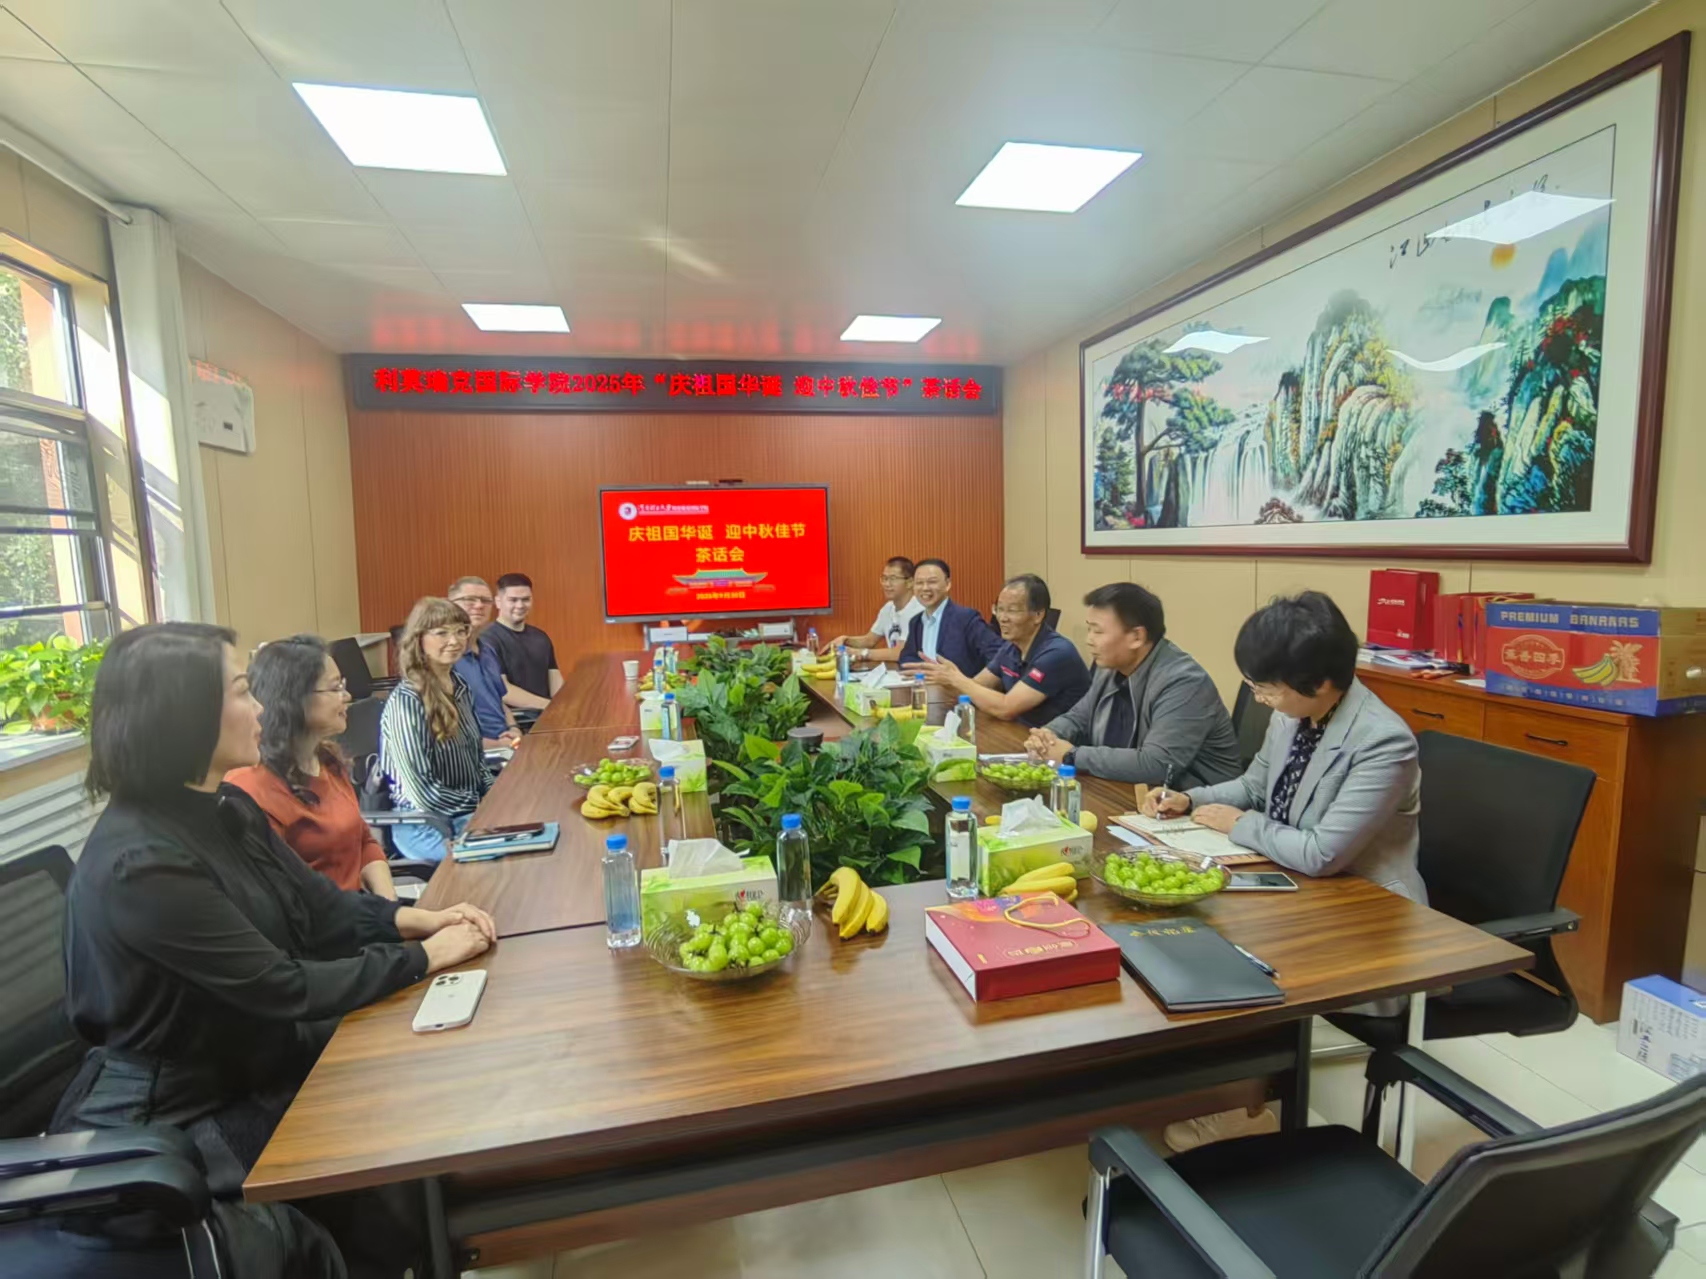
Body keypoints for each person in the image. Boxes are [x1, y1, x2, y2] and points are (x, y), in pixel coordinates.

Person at [52, 622, 495, 1278]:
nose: (260, 706)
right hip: (180, 1109)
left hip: (249, 1054)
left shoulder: (225, 806)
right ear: (184, 712)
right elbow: (282, 986)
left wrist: (417, 920)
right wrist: (426, 959)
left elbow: (318, 908)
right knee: (379, 1167)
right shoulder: (140, 863)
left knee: (414, 1092)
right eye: (241, 690)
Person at [1144, 592, 1423, 1153]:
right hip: (1295, 886)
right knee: (1179, 932)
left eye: (1267, 687)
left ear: (1320, 683)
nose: (1259, 698)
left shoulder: (1382, 742)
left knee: (1228, 955)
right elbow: (1254, 786)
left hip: (1364, 915)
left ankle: (1244, 1107)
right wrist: (1191, 799)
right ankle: (1195, 1083)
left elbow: (1323, 853)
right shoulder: (1293, 715)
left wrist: (1240, 824)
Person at [227, 634, 397, 898]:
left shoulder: (328, 760)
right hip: (328, 921)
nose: (347, 696)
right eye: (335, 687)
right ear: (293, 698)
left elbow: (364, 841)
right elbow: (282, 900)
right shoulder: (251, 789)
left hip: (364, 912)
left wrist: (389, 905)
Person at [1025, 582, 1239, 786]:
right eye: (1089, 629)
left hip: (1193, 801)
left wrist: (1072, 755)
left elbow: (1157, 765)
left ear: (1136, 636)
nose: (1089, 640)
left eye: (1098, 631)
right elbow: (1078, 718)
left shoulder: (1184, 682)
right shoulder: (1110, 666)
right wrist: (1047, 736)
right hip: (1127, 791)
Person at [379, 598, 493, 862]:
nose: (454, 641)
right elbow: (423, 794)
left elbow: (477, 762)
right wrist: (480, 803)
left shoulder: (460, 685)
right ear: (419, 639)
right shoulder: (406, 701)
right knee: (498, 860)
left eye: (461, 631)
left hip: (468, 812)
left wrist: (496, 794)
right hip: (426, 825)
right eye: (442, 633)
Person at [918, 573, 1089, 727]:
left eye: (1012, 611)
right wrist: (946, 678)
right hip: (1021, 732)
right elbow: (977, 687)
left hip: (1058, 743)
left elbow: (1006, 708)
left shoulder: (1056, 654)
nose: (1002, 618)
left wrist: (958, 679)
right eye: (999, 609)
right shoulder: (1011, 647)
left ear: (1038, 615)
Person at [448, 575, 522, 748]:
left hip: (507, 745)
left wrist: (514, 728)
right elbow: (446, 735)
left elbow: (497, 700)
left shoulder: (488, 650)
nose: (479, 605)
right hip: (475, 752)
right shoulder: (446, 657)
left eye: (485, 600)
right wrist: (497, 745)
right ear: (450, 605)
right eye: (470, 599)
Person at [897, 557, 1001, 679]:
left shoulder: (966, 618)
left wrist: (974, 684)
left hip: (960, 689)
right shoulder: (916, 622)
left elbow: (997, 656)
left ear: (947, 584)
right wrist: (923, 671)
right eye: (919, 583)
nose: (925, 588)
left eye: (932, 582)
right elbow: (906, 658)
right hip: (925, 686)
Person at [483, 572, 562, 714]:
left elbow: (555, 681)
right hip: (513, 720)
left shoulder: (541, 637)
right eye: (513, 600)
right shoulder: (486, 639)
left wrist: (565, 707)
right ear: (498, 602)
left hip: (547, 717)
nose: (520, 605)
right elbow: (503, 691)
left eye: (526, 599)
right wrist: (550, 706)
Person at [821, 556, 922, 663]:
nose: (887, 584)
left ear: (910, 582)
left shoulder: (917, 611)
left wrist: (860, 653)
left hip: (917, 671)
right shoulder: (888, 608)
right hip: (897, 669)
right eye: (884, 578)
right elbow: (870, 640)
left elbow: (900, 652)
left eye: (893, 579)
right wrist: (845, 640)